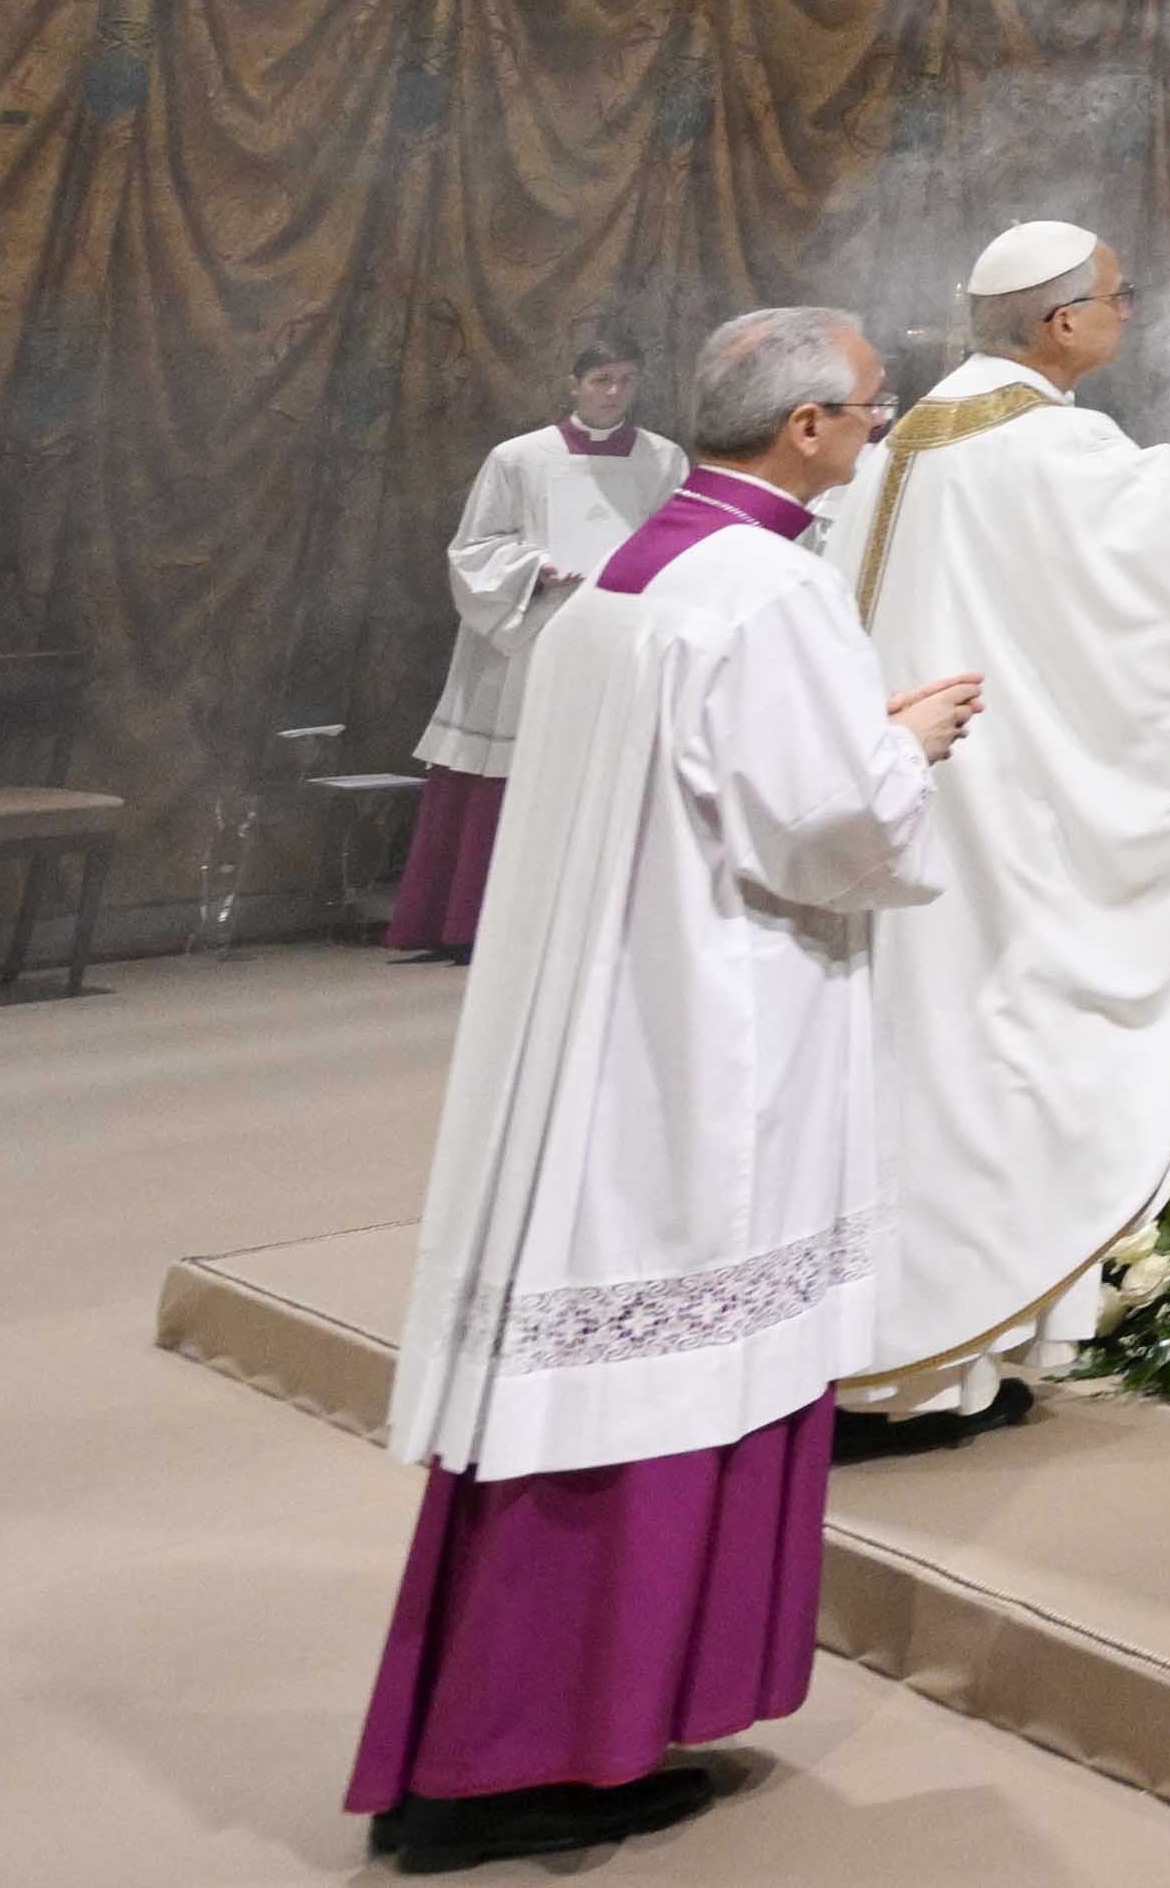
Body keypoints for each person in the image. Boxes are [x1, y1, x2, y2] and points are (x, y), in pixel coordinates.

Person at [355, 310, 978, 1874]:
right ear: (813, 430)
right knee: (654, 1379)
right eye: (874, 410)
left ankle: (522, 1740)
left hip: (595, 1026)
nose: (882, 429)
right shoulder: (768, 588)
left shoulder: (649, 564)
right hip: (698, 1048)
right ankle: (535, 1756)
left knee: (595, 1375)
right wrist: (911, 745)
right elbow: (828, 827)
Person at [816, 221, 1170, 1452]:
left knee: (912, 1060)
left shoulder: (905, 434)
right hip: (989, 809)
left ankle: (928, 1354)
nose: (1129, 312)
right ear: (1060, 322)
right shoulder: (1047, 443)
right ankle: (907, 1368)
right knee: (984, 1063)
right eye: (1117, 297)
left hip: (908, 786)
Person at [392, 348, 682, 967]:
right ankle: (482, 919)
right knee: (515, 766)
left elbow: (678, 541)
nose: (613, 393)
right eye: (601, 380)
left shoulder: (663, 459)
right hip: (531, 626)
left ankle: (601, 920)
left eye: (626, 381)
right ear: (572, 383)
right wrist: (534, 568)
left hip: (618, 628)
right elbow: (473, 548)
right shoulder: (519, 457)